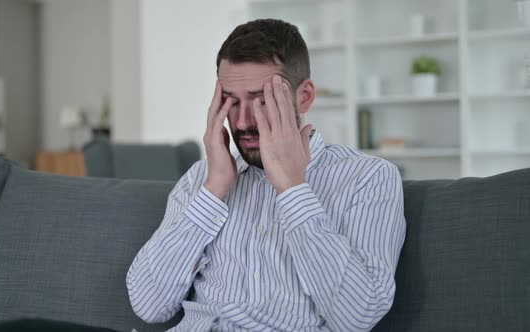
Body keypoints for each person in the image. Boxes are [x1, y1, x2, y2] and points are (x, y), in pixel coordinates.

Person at [127, 18, 406, 332]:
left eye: (261, 100)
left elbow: (357, 317)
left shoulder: (368, 178)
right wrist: (214, 188)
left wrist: (292, 187)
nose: (244, 121)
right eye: (231, 101)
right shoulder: (201, 178)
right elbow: (148, 306)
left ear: (305, 97)